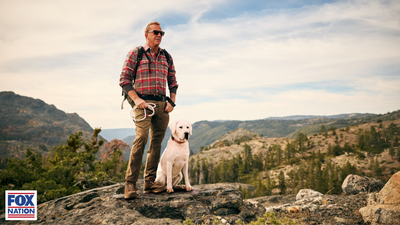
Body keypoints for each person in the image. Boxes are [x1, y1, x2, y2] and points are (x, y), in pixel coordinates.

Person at [119, 21, 178, 199]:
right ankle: (130, 183)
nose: (159, 35)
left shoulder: (166, 56)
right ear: (147, 35)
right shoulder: (135, 54)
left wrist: (172, 102)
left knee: (156, 143)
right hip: (142, 104)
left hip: (162, 105)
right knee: (141, 138)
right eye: (155, 32)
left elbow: (173, 82)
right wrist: (137, 100)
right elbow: (124, 80)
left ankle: (149, 182)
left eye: (162, 33)